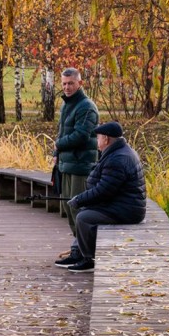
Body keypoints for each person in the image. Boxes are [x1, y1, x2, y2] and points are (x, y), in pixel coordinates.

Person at [64, 121, 146, 272]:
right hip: (120, 204)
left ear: (106, 139)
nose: (97, 142)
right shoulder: (117, 152)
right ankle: (79, 252)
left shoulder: (118, 158)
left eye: (98, 138)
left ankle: (89, 259)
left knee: (84, 217)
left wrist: (79, 199)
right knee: (87, 210)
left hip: (127, 210)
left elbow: (104, 190)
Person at [53, 68, 99, 267]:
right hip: (66, 164)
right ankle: (78, 248)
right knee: (68, 208)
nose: (66, 87)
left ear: (80, 83)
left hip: (81, 166)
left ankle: (86, 255)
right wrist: (56, 154)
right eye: (63, 84)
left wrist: (59, 145)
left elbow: (81, 135)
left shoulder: (86, 107)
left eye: (70, 83)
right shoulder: (67, 105)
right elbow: (62, 132)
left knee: (79, 209)